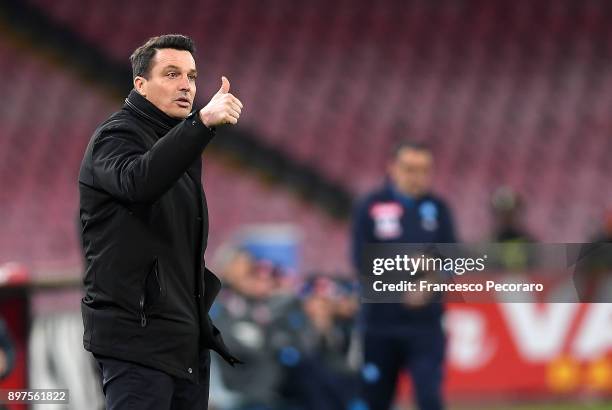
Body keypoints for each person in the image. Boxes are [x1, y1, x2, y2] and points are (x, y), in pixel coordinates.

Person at [78, 34, 243, 410]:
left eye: (192, 76)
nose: (186, 84)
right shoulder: (115, 135)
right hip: (136, 340)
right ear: (140, 84)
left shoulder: (178, 139)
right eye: (171, 74)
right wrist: (200, 124)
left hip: (182, 342)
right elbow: (138, 182)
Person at [351, 141, 456, 410]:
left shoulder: (439, 208)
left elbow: (453, 260)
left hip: (426, 326)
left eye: (423, 170)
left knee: (430, 398)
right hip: (380, 325)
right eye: (410, 168)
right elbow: (360, 261)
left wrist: (430, 283)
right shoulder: (370, 207)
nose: (417, 176)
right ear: (393, 168)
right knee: (375, 400)